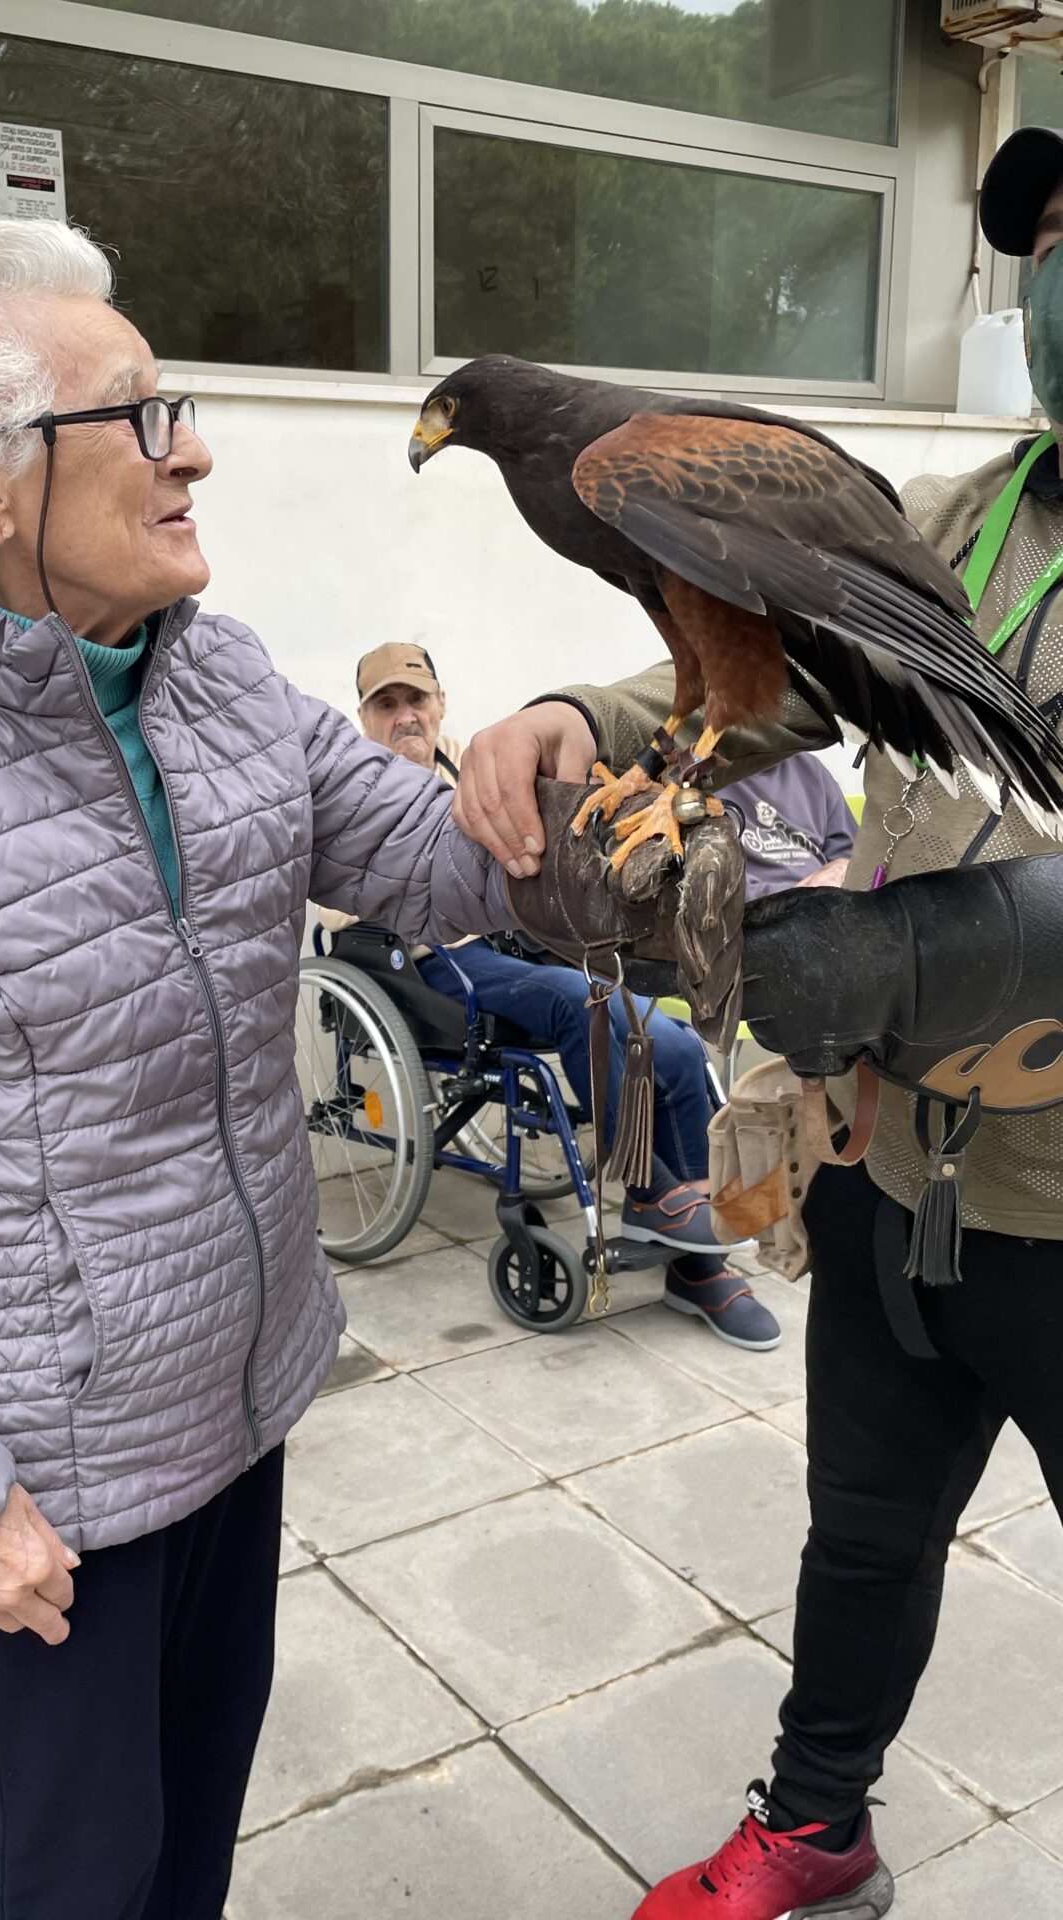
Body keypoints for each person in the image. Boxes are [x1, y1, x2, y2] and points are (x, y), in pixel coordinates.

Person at [0, 215, 514, 1920]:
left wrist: (580, 748)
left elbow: (454, 870)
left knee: (190, 1845)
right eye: (133, 414)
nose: (191, 448)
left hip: (243, 1407)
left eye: (170, 402)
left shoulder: (230, 688)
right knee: (74, 1882)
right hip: (41, 1497)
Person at [447, 125, 1063, 1920]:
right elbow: (777, 661)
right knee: (863, 1538)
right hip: (894, 1157)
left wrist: (950, 946)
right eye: (1049, 239)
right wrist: (588, 717)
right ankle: (817, 1837)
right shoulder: (985, 513)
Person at [324, 642, 780, 1353]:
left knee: (671, 1035)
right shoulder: (344, 784)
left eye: (416, 700)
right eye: (386, 705)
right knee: (578, 1002)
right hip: (422, 965)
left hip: (512, 942)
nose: (405, 716)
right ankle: (649, 1187)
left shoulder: (465, 762)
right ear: (364, 718)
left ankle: (701, 1259)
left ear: (440, 704)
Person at [723, 757, 858, 899]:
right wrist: (798, 896)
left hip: (826, 905)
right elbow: (712, 888)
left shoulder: (811, 769)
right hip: (753, 912)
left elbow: (854, 856)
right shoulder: (705, 776)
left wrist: (844, 868)